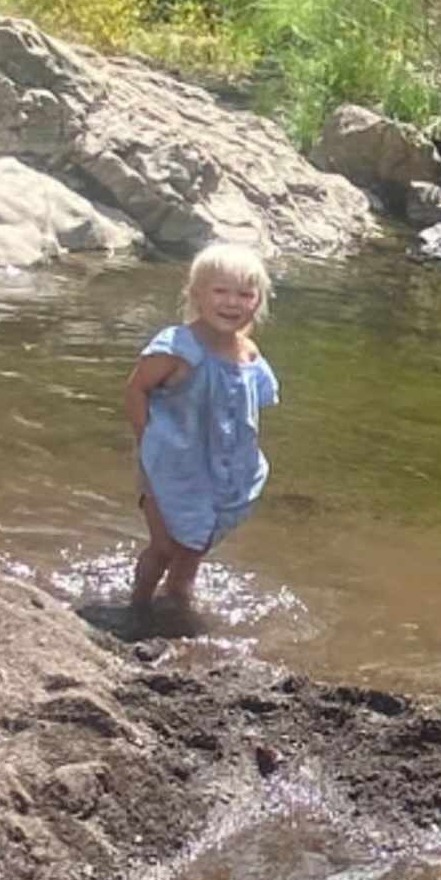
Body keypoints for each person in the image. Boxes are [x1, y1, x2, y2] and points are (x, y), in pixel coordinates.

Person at [125, 240, 278, 626]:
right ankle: (137, 608)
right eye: (221, 291)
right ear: (196, 295)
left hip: (218, 467)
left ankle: (178, 602)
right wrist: (147, 442)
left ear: (257, 302)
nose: (232, 302)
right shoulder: (178, 347)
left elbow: (250, 405)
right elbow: (136, 388)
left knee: (193, 547)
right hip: (168, 462)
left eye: (245, 294)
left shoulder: (248, 353)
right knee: (163, 546)